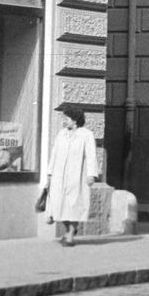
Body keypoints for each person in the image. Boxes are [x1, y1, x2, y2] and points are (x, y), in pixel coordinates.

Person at [40, 105, 99, 247]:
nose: (64, 121)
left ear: (75, 119)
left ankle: (70, 234)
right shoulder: (62, 134)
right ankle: (69, 229)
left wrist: (91, 175)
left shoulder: (86, 135)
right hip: (59, 176)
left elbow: (91, 155)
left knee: (74, 205)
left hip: (77, 176)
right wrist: (49, 173)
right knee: (58, 205)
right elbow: (54, 154)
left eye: (67, 118)